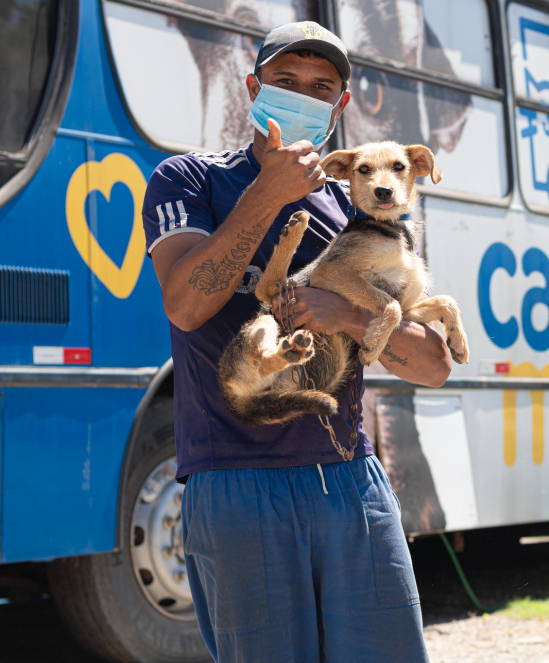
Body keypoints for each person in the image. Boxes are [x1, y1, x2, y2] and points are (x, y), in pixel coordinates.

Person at [142, 20, 446, 662]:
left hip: (350, 482)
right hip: (234, 483)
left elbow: (433, 365)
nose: (303, 95)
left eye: (321, 87)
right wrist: (269, 193)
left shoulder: (362, 204)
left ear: (339, 107)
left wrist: (350, 315)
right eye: (285, 82)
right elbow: (189, 306)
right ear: (253, 88)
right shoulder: (190, 180)